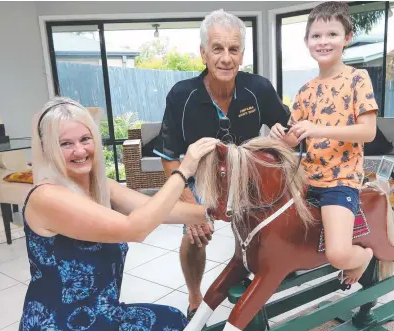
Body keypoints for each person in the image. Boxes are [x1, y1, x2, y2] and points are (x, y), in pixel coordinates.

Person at [19, 96, 219, 330]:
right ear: (49, 149)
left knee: (173, 318)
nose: (80, 150)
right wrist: (183, 171)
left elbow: (160, 210)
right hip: (61, 323)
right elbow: (134, 228)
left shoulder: (101, 186)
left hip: (102, 313)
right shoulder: (47, 197)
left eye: (85, 139)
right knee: (173, 323)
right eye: (65, 144)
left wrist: (216, 211)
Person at [153, 9, 291, 320]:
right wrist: (190, 209)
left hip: (245, 175)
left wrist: (290, 133)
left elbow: (289, 130)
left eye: (233, 49)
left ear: (242, 53)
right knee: (194, 236)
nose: (226, 58)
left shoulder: (259, 88)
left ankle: (275, 266)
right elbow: (169, 158)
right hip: (200, 178)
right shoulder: (181, 95)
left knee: (277, 219)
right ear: (203, 53)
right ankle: (194, 295)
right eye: (217, 48)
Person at [270, 2, 378, 285]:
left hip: (340, 181)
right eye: (316, 36)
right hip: (303, 179)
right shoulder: (305, 90)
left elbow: (368, 132)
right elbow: (295, 139)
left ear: (347, 38)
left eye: (332, 34)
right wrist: (283, 136)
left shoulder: (358, 79)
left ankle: (364, 256)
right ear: (307, 41)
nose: (323, 41)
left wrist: (318, 128)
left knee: (339, 254)